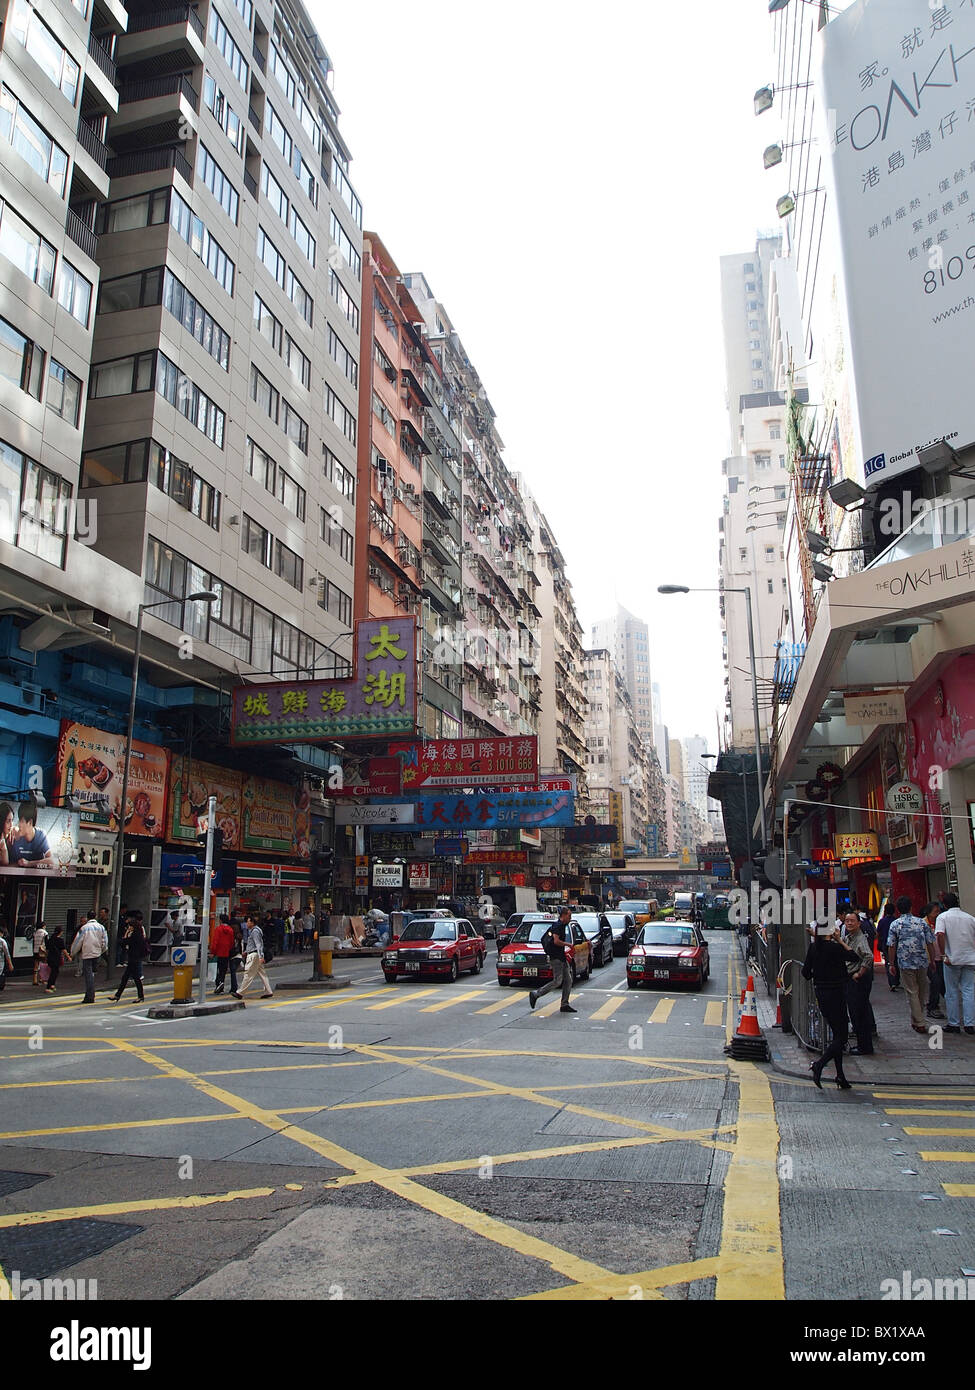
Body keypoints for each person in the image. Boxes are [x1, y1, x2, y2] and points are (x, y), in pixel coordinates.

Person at [802, 921, 860, 1089]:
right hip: (836, 995)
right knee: (841, 1037)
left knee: (837, 1035)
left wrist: (819, 974)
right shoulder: (835, 948)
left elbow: (805, 973)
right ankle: (819, 1065)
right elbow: (854, 957)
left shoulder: (814, 948)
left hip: (821, 994)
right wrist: (840, 940)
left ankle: (840, 1076)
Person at [887, 894, 936, 1033]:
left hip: (905, 961)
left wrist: (891, 963)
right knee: (921, 990)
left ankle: (919, 1021)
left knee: (912, 991)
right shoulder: (922, 923)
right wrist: (932, 960)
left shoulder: (895, 924)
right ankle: (918, 1019)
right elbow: (930, 943)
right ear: (911, 907)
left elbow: (891, 945)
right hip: (922, 960)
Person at [935, 891, 975, 1035]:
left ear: (944, 904)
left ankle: (954, 1023)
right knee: (969, 991)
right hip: (970, 958)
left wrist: (943, 953)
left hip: (952, 958)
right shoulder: (970, 918)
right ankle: (970, 1023)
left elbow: (940, 934)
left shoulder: (943, 917)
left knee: (951, 991)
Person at [528, 908, 576, 1014]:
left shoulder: (562, 925)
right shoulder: (558, 926)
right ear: (563, 915)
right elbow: (556, 941)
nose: (570, 918)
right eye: (569, 916)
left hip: (561, 957)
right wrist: (568, 944)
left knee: (568, 980)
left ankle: (564, 1004)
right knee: (557, 981)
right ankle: (536, 994)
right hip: (556, 958)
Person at [842, 911, 874, 1056]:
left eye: (852, 921)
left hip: (858, 980)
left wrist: (859, 973)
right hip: (852, 979)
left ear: (858, 923)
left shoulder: (860, 938)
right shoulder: (849, 937)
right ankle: (863, 1044)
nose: (849, 923)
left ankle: (865, 1046)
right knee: (857, 1012)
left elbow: (868, 957)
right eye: (847, 921)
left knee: (859, 1013)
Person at [69, 912, 108, 1003]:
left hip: (87, 954)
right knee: (93, 973)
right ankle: (90, 994)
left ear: (87, 917)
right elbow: (105, 941)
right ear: (95, 916)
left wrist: (72, 952)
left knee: (88, 975)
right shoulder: (101, 927)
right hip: (97, 953)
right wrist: (102, 950)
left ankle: (90, 996)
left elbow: (78, 941)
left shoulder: (84, 928)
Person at [232, 915, 273, 1000]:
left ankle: (240, 992)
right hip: (254, 954)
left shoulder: (255, 931)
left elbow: (258, 944)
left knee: (248, 974)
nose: (246, 923)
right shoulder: (255, 931)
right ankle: (268, 991)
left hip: (254, 955)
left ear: (252, 922)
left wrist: (261, 956)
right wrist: (246, 952)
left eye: (248, 921)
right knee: (262, 974)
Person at [112, 914, 147, 1004]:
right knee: (128, 978)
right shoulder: (136, 933)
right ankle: (118, 995)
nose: (129, 928)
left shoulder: (136, 935)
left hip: (134, 958)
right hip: (133, 958)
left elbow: (126, 941)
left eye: (130, 926)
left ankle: (139, 996)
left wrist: (122, 939)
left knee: (134, 978)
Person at [9, 799, 53, 865]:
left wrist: (29, 863)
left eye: (21, 821)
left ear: (30, 822)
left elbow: (51, 861)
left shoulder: (41, 836)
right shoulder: (14, 834)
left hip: (35, 875)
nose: (18, 824)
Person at [924, 902, 946, 1020]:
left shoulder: (941, 922)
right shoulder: (923, 924)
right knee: (936, 981)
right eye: (935, 912)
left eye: (939, 911)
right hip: (928, 959)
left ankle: (941, 1002)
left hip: (941, 957)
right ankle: (933, 1006)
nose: (938, 914)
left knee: (941, 982)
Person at [212, 916, 238, 995]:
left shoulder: (218, 929)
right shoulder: (230, 930)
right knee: (223, 970)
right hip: (226, 952)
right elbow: (231, 943)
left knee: (217, 970)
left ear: (220, 920)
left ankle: (219, 984)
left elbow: (215, 941)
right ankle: (221, 985)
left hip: (218, 952)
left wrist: (213, 951)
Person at [877, 903, 899, 991]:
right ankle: (896, 980)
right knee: (896, 961)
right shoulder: (896, 921)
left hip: (885, 944)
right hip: (896, 944)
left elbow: (878, 933)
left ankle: (892, 982)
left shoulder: (882, 921)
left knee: (888, 962)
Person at [44, 925, 65, 993]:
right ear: (60, 932)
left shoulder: (51, 939)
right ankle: (48, 987)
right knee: (54, 972)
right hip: (56, 958)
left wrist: (46, 957)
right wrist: (69, 957)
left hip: (50, 957)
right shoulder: (60, 940)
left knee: (55, 971)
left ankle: (52, 985)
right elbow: (63, 950)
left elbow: (47, 949)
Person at [32, 920, 49, 987]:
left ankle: (34, 980)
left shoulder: (35, 933)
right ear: (43, 926)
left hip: (35, 950)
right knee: (43, 965)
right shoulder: (45, 933)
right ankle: (42, 979)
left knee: (36, 966)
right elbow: (47, 942)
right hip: (42, 951)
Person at [0, 800, 14, 865]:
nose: (11, 825)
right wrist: (4, 847)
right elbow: (5, 862)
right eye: (8, 821)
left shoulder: (12, 834)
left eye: (12, 820)